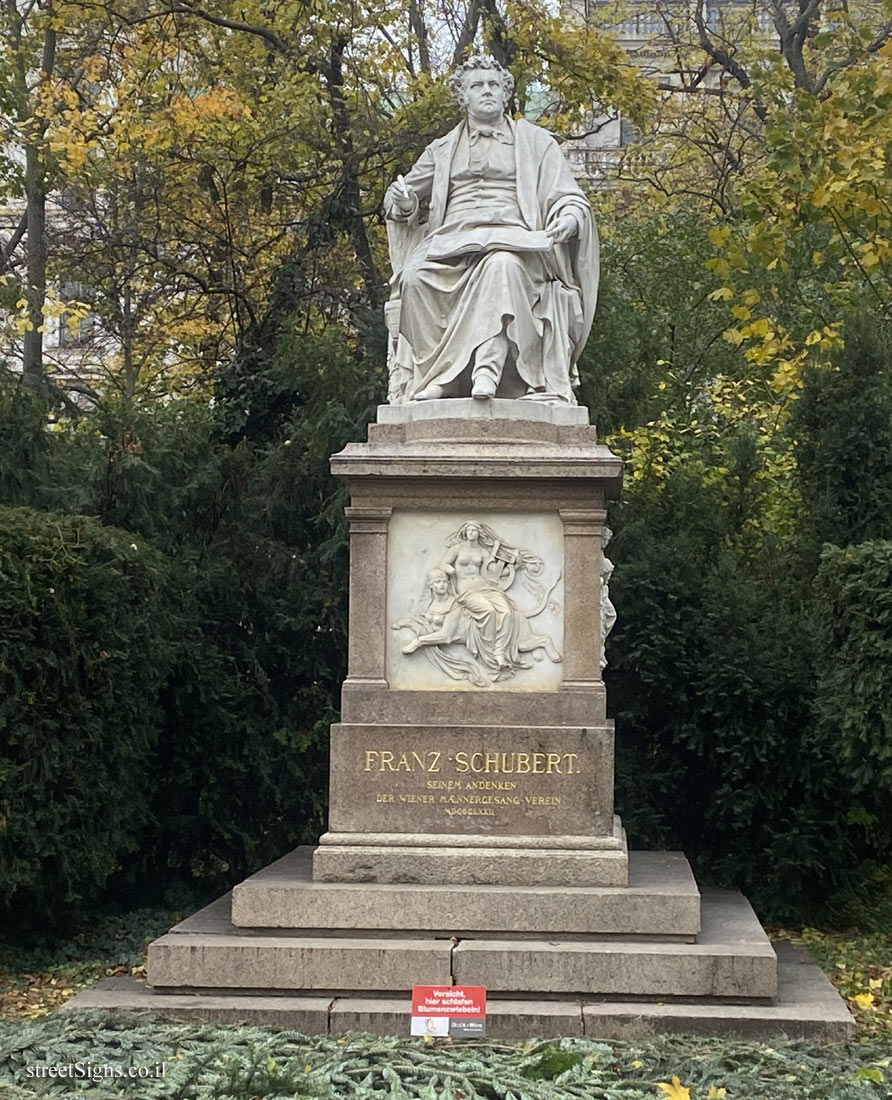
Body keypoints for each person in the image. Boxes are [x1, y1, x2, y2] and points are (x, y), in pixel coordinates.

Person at [383, 54, 599, 405]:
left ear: (505, 94)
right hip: (450, 244)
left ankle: (487, 370)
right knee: (413, 279)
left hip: (515, 241)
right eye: (477, 85)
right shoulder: (440, 150)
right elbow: (401, 201)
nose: (487, 91)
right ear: (463, 96)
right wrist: (404, 202)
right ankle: (442, 375)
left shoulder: (536, 142)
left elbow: (569, 196)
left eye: (494, 85)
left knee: (501, 266)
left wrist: (570, 218)